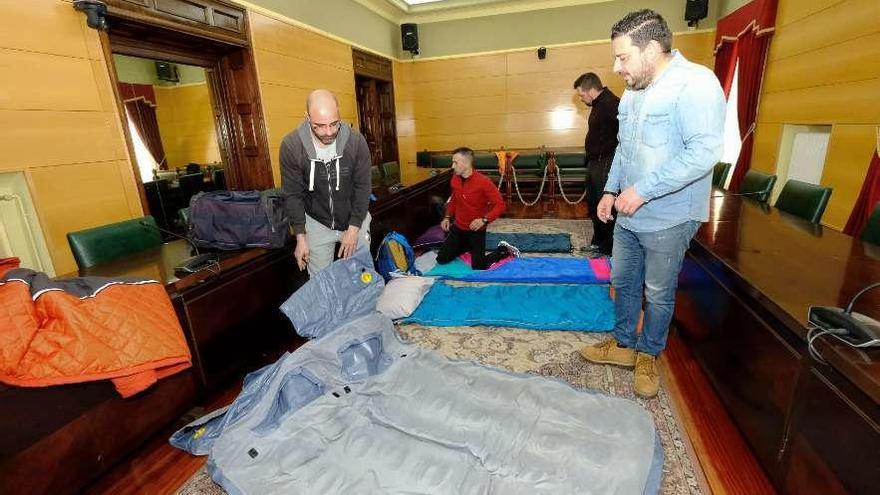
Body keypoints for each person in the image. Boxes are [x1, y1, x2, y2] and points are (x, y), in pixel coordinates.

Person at [579, 10, 725, 398]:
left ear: (653, 49)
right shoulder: (632, 93)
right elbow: (624, 151)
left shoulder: (696, 84)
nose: (616, 66)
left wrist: (643, 190)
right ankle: (624, 345)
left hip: (670, 216)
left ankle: (649, 353)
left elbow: (704, 152)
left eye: (623, 57)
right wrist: (611, 191)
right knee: (623, 281)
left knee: (658, 291)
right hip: (628, 215)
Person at [281, 89, 372, 277]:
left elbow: (363, 188)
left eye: (334, 124)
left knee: (361, 277)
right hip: (317, 221)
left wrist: (354, 229)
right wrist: (300, 236)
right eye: (320, 126)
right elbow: (293, 195)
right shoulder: (292, 146)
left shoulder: (355, 142)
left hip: (354, 217)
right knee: (320, 283)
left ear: (339, 115)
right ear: (307, 118)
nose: (329, 132)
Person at [437, 147, 518, 270]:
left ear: (466, 163)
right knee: (441, 259)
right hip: (458, 228)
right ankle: (466, 246)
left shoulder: (483, 182)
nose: (452, 166)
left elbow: (500, 205)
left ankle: (503, 250)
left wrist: (484, 220)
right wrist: (447, 216)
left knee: (478, 267)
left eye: (455, 162)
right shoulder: (454, 179)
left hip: (476, 230)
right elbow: (454, 199)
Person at [574, 72, 620, 256]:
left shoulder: (611, 104)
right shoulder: (598, 104)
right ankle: (598, 242)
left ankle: (608, 248)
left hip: (606, 163)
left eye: (581, 94)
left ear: (591, 90)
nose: (581, 98)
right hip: (595, 163)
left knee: (605, 206)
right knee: (593, 205)